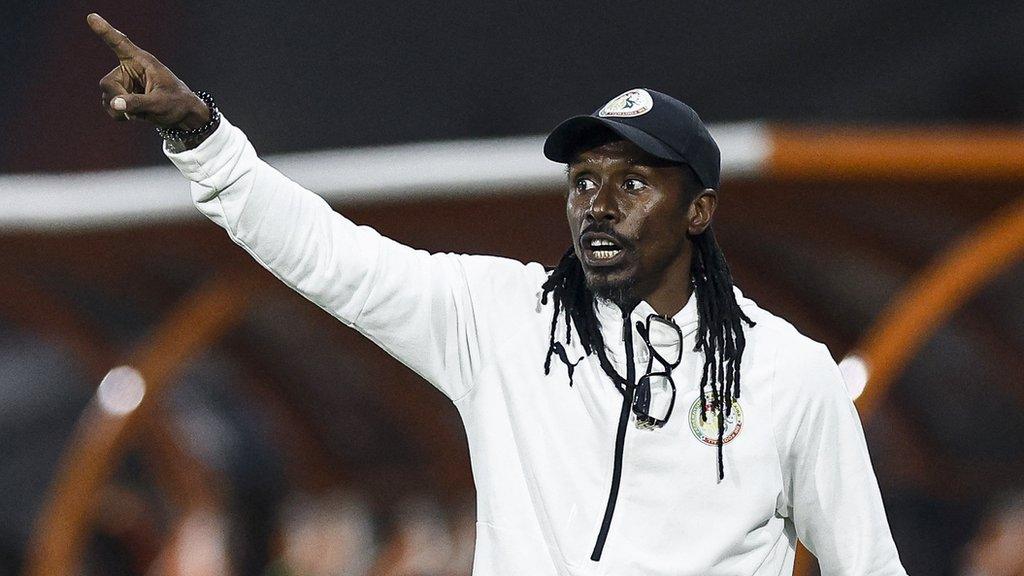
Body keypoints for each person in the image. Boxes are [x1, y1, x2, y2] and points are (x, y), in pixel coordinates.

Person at [87, 13, 908, 575]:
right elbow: (330, 257)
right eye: (582, 180)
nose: (599, 203)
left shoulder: (788, 374)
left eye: (633, 181)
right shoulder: (501, 319)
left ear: (698, 211)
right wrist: (200, 135)